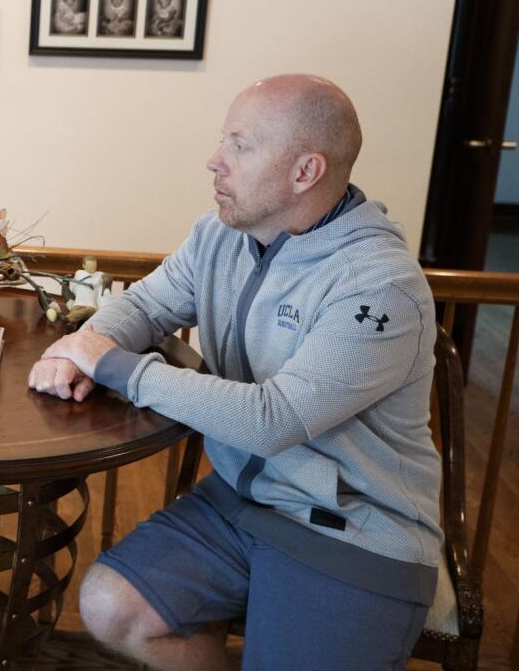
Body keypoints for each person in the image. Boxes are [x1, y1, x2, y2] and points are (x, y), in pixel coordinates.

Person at [30, 75, 441, 670]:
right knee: (110, 605)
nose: (214, 160)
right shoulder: (220, 236)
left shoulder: (380, 286)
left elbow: (275, 419)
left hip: (352, 532)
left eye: (240, 146)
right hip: (243, 500)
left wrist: (113, 363)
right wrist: (83, 349)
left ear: (305, 172)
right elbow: (145, 305)